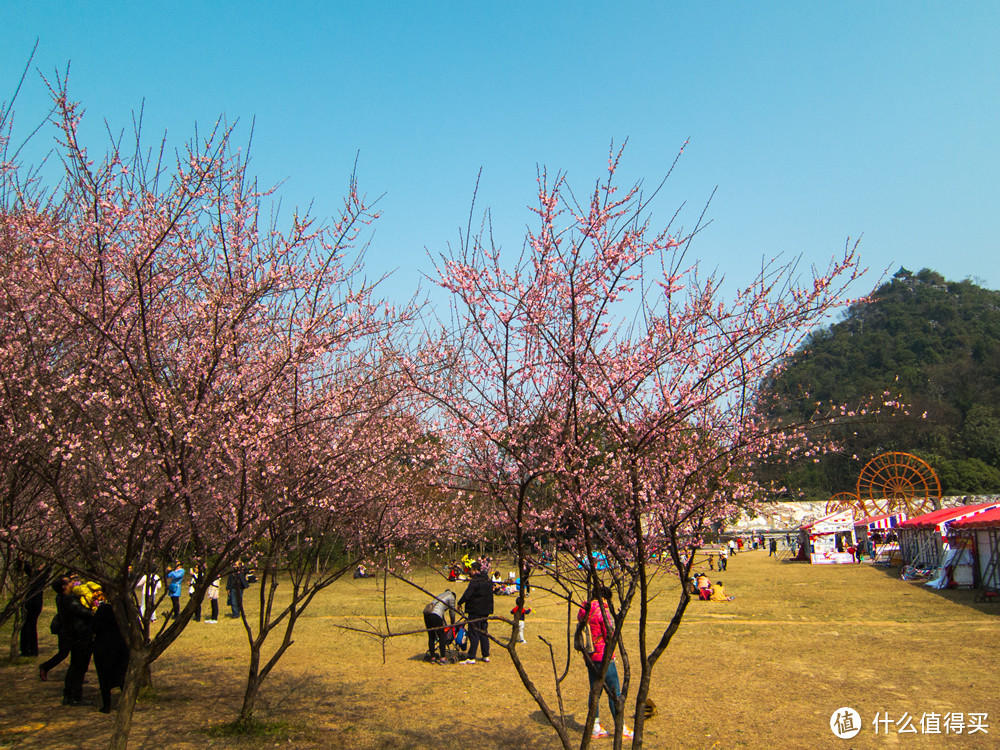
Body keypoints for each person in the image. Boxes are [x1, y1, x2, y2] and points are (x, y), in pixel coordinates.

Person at [578, 586, 633, 740]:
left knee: (595, 690)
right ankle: (620, 726)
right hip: (603, 655)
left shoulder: (584, 609)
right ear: (605, 598)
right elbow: (610, 634)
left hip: (589, 655)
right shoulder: (603, 611)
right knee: (614, 691)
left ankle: (594, 726)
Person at [57, 577, 95, 706]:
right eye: (70, 582)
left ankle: (68, 694)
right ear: (64, 587)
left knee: (74, 666)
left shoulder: (63, 599)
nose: (73, 583)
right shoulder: (69, 601)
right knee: (79, 667)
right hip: (80, 636)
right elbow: (87, 613)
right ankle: (75, 696)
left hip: (74, 635)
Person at [92, 599, 129, 713]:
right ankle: (126, 703)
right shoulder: (125, 609)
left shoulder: (103, 609)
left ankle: (106, 705)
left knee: (104, 676)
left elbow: (94, 627)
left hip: (104, 644)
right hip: (121, 642)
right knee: (122, 675)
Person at [458, 561, 493, 663]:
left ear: (475, 570)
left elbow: (467, 594)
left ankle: (471, 657)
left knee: (474, 633)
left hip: (475, 610)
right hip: (485, 611)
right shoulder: (488, 580)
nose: (470, 572)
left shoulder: (475, 581)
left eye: (471, 570)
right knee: (483, 632)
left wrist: (460, 603)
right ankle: (486, 655)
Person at [422, 589, 457, 664]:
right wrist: (453, 623)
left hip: (427, 614)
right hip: (436, 615)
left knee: (431, 636)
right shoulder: (451, 597)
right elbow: (452, 612)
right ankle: (443, 658)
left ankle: (432, 657)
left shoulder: (441, 595)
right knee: (442, 636)